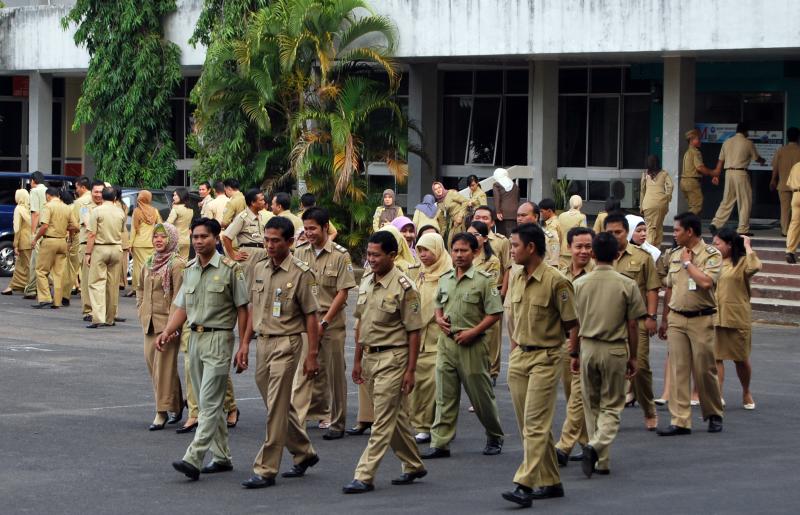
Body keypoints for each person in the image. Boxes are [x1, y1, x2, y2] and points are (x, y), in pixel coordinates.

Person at [156, 218, 249, 481]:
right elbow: (183, 307)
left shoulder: (232, 269)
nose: (198, 241)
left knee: (208, 403)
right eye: (195, 237)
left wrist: (243, 345)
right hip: (193, 340)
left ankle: (193, 457)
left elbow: (244, 309)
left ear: (217, 238)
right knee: (209, 402)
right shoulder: (190, 269)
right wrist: (167, 331)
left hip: (218, 339)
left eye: (204, 237)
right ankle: (221, 457)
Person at [234, 216, 321, 489]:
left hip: (288, 342)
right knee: (277, 404)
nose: (269, 245)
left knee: (275, 408)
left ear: (289, 242)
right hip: (263, 342)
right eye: (266, 240)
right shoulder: (258, 268)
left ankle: (266, 467)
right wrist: (245, 343)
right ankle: (304, 451)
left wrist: (312, 355)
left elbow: (311, 317)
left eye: (275, 241)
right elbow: (252, 310)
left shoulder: (301, 273)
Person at [342, 231, 426, 494]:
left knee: (383, 418)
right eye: (368, 254)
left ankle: (364, 474)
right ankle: (413, 464)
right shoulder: (366, 281)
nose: (371, 259)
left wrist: (411, 370)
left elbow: (414, 331)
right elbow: (360, 324)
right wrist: (356, 360)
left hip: (394, 357)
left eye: (376, 255)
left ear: (392, 255)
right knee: (396, 416)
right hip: (370, 356)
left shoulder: (404, 287)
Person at [502, 223, 577, 508]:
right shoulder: (517, 276)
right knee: (528, 426)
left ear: (531, 248)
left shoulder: (557, 281)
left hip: (546, 357)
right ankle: (552, 481)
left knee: (535, 424)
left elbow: (572, 323)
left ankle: (524, 483)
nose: (511, 251)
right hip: (520, 355)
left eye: (515, 246)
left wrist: (574, 356)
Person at [421, 231, 505, 459]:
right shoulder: (446, 278)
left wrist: (473, 332)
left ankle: (494, 434)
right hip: (447, 345)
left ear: (474, 252)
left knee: (481, 396)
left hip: (473, 346)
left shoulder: (484, 280)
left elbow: (495, 312)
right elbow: (439, 303)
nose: (459, 255)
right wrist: (438, 318)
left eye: (464, 250)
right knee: (444, 395)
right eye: (455, 250)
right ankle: (440, 443)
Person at [571, 232, 647, 478]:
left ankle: (601, 460)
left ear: (592, 254)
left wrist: (573, 352)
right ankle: (597, 447)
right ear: (617, 255)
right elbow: (633, 325)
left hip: (588, 347)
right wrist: (633, 356)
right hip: (615, 347)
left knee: (591, 405)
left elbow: (573, 323)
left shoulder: (580, 284)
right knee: (613, 405)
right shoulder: (627, 284)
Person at [657, 212, 724, 436]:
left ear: (690, 231)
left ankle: (713, 413)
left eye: (677, 230)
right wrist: (664, 318)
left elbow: (706, 282)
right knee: (678, 369)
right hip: (677, 317)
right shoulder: (673, 254)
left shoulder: (711, 254)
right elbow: (665, 282)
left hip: (701, 317)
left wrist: (687, 264)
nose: (674, 234)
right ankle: (680, 420)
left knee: (705, 369)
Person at [293, 207, 356, 440]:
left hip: (332, 323)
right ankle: (298, 417)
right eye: (305, 228)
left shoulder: (340, 255)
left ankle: (337, 423)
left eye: (312, 228)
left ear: (325, 227)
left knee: (335, 374)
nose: (308, 233)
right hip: (306, 322)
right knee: (304, 371)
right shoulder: (299, 253)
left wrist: (325, 322)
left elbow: (343, 293)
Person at [605, 212, 660, 430]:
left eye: (618, 232)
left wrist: (652, 316)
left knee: (641, 367)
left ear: (626, 233)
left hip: (637, 321)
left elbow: (652, 288)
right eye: (609, 232)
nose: (614, 236)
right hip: (611, 322)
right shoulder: (600, 257)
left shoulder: (642, 257)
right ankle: (613, 410)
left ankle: (649, 408)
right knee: (612, 368)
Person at [136, 223, 186, 430]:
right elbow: (139, 288)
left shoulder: (177, 264)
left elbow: (179, 298)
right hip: (149, 323)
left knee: (162, 369)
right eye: (155, 237)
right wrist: (141, 309)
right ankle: (175, 403)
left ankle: (161, 411)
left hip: (167, 324)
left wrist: (172, 326)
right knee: (153, 367)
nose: (158, 240)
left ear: (171, 240)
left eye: (163, 237)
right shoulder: (149, 262)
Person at [554, 227, 594, 467]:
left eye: (588, 247)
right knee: (573, 396)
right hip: (564, 343)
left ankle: (566, 445)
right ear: (569, 248)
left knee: (580, 397)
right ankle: (588, 444)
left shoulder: (598, 273)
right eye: (579, 246)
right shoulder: (559, 275)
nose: (584, 251)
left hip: (588, 343)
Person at [410, 232, 452, 444]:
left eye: (427, 250)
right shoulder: (421, 274)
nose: (423, 254)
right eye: (420, 250)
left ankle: (432, 426)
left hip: (439, 339)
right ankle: (422, 424)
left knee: (435, 385)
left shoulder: (449, 275)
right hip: (418, 339)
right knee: (418, 384)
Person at [713, 229, 761, 409]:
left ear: (729, 245)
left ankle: (746, 391)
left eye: (718, 243)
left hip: (736, 316)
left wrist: (747, 246)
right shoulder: (713, 262)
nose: (714, 246)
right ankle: (717, 394)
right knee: (716, 357)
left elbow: (755, 266)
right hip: (716, 315)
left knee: (740, 358)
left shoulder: (741, 262)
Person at [472, 206, 511, 381]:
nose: (480, 220)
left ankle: (492, 373)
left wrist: (503, 292)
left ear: (493, 222)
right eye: (477, 216)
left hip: (494, 291)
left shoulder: (501, 241)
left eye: (485, 218)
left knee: (493, 336)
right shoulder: (467, 240)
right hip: (471, 297)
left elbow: (507, 267)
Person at [710, 123, 767, 236]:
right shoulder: (748, 143)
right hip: (741, 173)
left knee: (727, 200)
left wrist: (716, 174)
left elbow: (720, 161)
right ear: (745, 132)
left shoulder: (727, 142)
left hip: (728, 173)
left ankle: (715, 224)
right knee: (745, 201)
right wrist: (762, 161)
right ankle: (742, 229)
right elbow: (756, 158)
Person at [85, 187, 126, 328]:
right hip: (116, 248)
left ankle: (98, 317)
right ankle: (110, 318)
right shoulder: (120, 212)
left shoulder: (97, 211)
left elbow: (91, 234)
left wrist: (88, 253)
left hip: (100, 248)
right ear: (115, 198)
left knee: (96, 283)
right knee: (113, 284)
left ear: (102, 197)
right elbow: (121, 231)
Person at [30, 187, 77, 308]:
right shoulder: (66, 207)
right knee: (58, 273)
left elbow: (45, 226)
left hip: (49, 240)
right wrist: (65, 229)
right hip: (62, 242)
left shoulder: (48, 206)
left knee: (41, 270)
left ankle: (45, 298)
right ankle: (57, 301)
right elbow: (75, 226)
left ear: (48, 196)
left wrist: (35, 239)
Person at [221, 188, 267, 288]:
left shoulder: (260, 216)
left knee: (260, 285)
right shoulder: (242, 217)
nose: (264, 202)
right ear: (253, 203)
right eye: (261, 200)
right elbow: (226, 237)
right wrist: (233, 255)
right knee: (248, 286)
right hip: (249, 255)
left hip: (262, 253)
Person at [76, 180, 104, 320]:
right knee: (87, 280)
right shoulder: (84, 207)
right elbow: (90, 226)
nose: (98, 195)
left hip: (102, 247)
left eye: (101, 192)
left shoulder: (108, 206)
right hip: (87, 245)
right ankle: (88, 310)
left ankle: (103, 311)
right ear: (91, 192)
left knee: (103, 281)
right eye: (96, 192)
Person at [130, 190, 163, 297]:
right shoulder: (155, 211)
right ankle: (149, 287)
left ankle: (137, 288)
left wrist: (130, 244)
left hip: (139, 244)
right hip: (151, 244)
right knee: (150, 266)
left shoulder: (137, 211)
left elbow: (134, 229)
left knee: (138, 268)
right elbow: (160, 226)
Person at [63, 177, 90, 298]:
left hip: (80, 237)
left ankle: (65, 295)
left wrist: (70, 239)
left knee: (72, 267)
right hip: (98, 239)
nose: (76, 190)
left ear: (83, 187)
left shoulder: (79, 202)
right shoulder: (98, 201)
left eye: (77, 187)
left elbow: (73, 224)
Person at [680, 129, 718, 216]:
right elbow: (700, 168)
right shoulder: (695, 152)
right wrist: (712, 173)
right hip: (692, 182)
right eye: (698, 139)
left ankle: (691, 227)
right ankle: (684, 224)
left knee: (692, 206)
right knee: (697, 206)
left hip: (684, 182)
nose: (700, 141)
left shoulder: (687, 152)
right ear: (692, 140)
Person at [23, 171, 48, 299]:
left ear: (33, 181)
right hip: (49, 230)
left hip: (39, 229)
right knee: (47, 263)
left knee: (35, 261)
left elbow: (35, 213)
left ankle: (32, 289)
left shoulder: (34, 192)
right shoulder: (48, 191)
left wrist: (33, 233)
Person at [640, 155, 674, 248]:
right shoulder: (664, 174)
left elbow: (642, 190)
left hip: (648, 204)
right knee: (658, 227)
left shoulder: (645, 174)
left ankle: (649, 251)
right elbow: (670, 186)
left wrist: (641, 206)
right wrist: (667, 197)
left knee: (650, 228)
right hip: (661, 204)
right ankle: (656, 249)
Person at [2, 189, 32, 295]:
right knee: (20, 264)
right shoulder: (30, 209)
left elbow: (17, 228)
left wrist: (15, 244)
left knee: (28, 265)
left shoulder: (18, 209)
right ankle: (12, 286)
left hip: (24, 240)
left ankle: (33, 288)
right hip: (32, 239)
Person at [771, 127, 800, 236]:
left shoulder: (780, 150)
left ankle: (785, 231)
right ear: (798, 137)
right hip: (797, 186)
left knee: (785, 210)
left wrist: (773, 180)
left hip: (783, 184)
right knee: (797, 210)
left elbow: (775, 168)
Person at [432, 181, 468, 246]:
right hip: (453, 222)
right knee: (450, 243)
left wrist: (460, 216)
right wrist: (441, 235)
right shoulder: (439, 203)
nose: (438, 190)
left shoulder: (450, 193)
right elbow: (443, 221)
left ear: (442, 187)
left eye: (439, 187)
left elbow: (465, 202)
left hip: (461, 219)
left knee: (460, 241)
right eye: (435, 189)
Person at [167, 188, 194, 260]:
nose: (173, 197)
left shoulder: (176, 209)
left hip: (176, 240)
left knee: (173, 263)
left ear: (181, 196)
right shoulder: (190, 209)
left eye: (175, 195)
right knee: (184, 263)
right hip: (186, 240)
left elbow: (168, 224)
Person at [492, 168, 519, 236]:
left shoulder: (496, 184)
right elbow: (518, 199)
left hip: (501, 213)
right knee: (512, 235)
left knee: (502, 236)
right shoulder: (515, 185)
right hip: (514, 214)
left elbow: (497, 199)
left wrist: (498, 212)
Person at [538, 199, 563, 267]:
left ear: (549, 211)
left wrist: (552, 263)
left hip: (550, 263)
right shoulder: (552, 222)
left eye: (542, 211)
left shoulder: (552, 225)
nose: (541, 214)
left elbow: (554, 245)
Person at [786, 162, 800, 263]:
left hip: (796, 195)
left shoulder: (795, 165)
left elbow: (789, 184)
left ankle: (790, 251)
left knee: (794, 224)